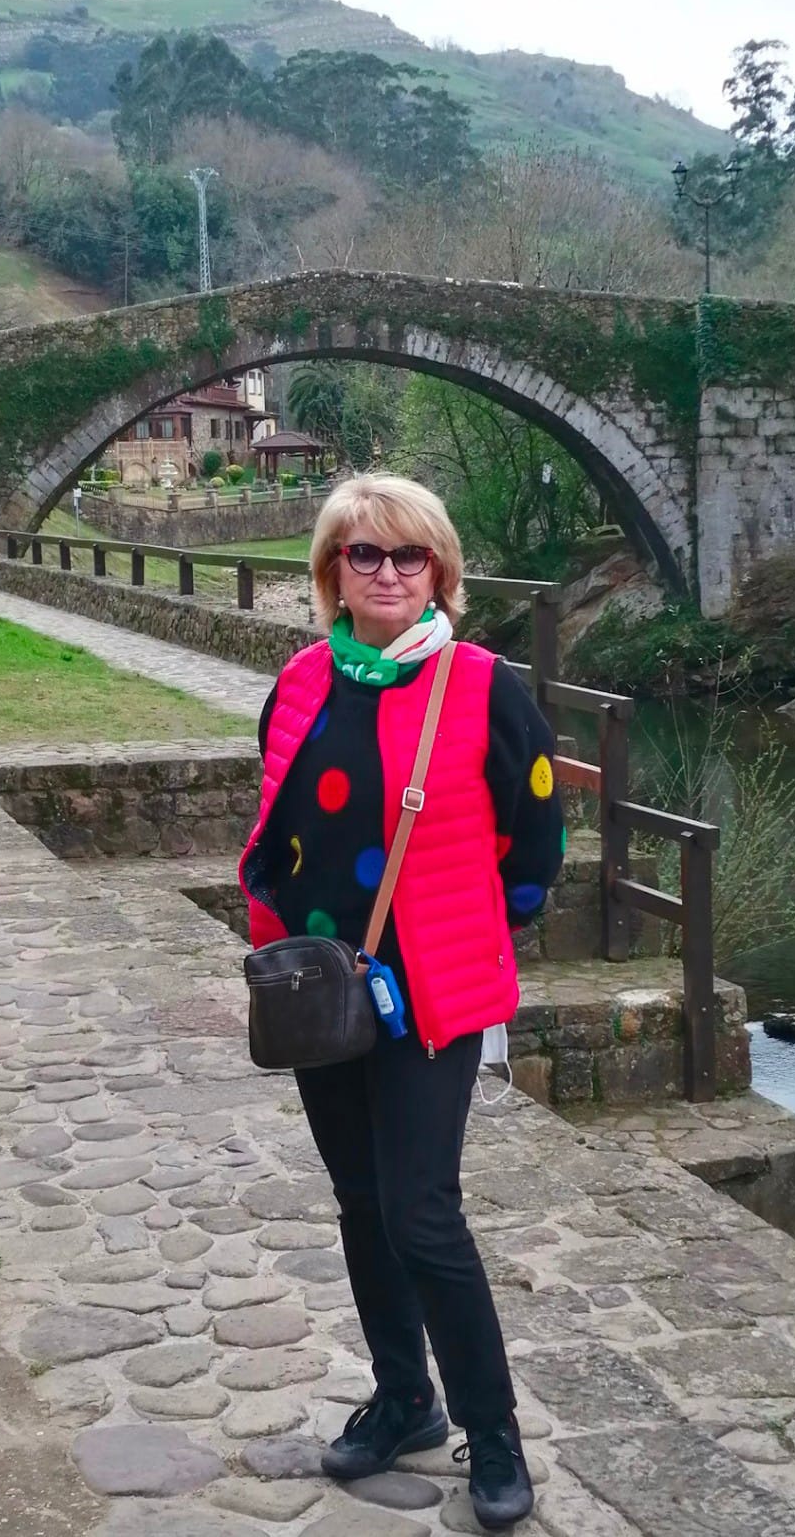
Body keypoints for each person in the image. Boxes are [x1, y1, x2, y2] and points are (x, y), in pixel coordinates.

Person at [238, 474, 565, 1531]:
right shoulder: (301, 683)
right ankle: (403, 1397)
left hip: (431, 995)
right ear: (333, 571)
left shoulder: (484, 687)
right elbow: (277, 822)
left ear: (440, 571)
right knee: (361, 1204)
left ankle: (492, 1429)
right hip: (322, 993)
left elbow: (535, 848)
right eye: (364, 554)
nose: (386, 572)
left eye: (408, 555)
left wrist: (462, 937)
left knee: (422, 1212)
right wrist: (282, 940)